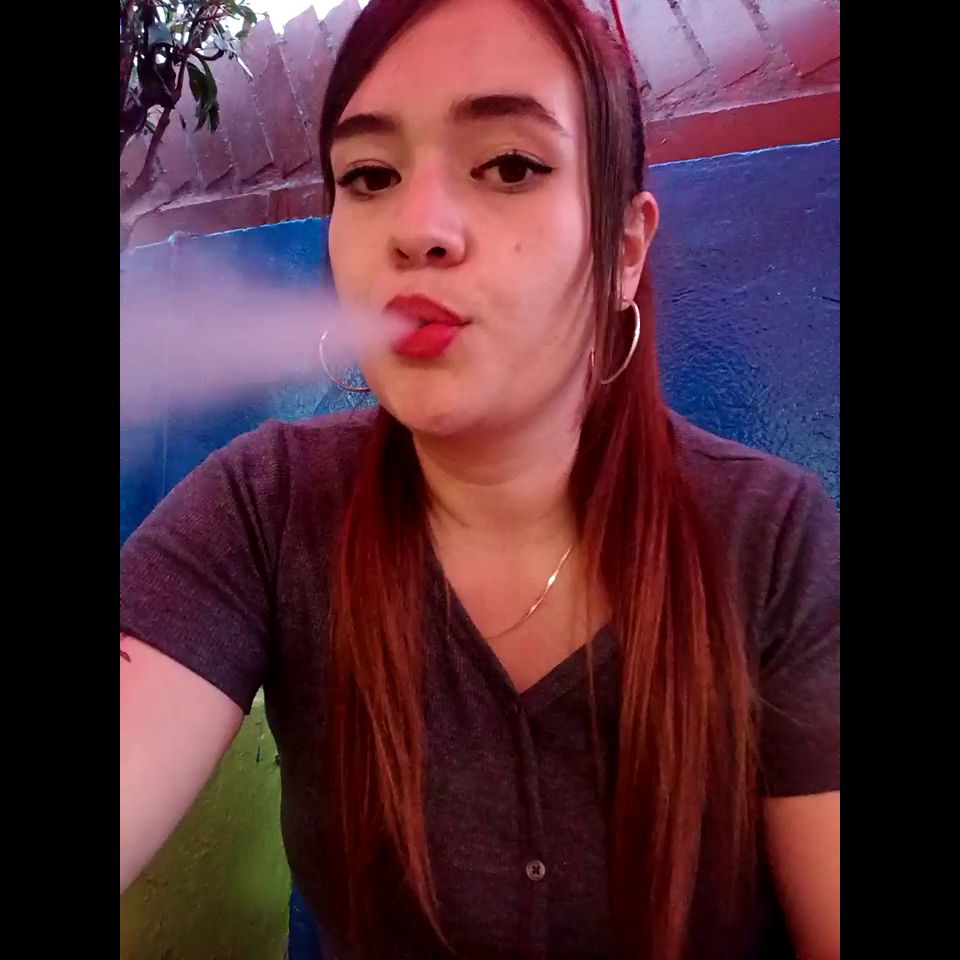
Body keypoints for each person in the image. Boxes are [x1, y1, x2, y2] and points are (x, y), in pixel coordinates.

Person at [119, 1, 840, 958]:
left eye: (509, 165)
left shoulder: (774, 538)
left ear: (624, 251)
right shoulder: (263, 509)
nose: (417, 230)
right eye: (369, 176)